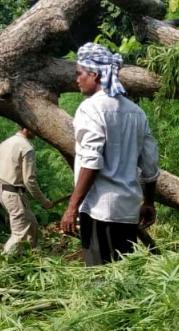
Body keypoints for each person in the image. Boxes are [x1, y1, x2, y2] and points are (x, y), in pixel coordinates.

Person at [59, 42, 161, 266]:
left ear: (94, 75)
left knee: (100, 278)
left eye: (79, 73)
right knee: (123, 275)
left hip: (99, 210)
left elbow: (91, 162)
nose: (76, 79)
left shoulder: (91, 109)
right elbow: (150, 164)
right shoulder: (136, 112)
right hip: (128, 210)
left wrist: (72, 208)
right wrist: (149, 202)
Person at [0, 126, 53, 256]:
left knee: (31, 224)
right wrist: (44, 201)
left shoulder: (5, 143)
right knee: (19, 233)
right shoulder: (26, 147)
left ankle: (34, 255)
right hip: (14, 194)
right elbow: (29, 180)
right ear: (26, 128)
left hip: (2, 191)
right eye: (35, 129)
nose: (37, 132)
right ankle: (4, 262)